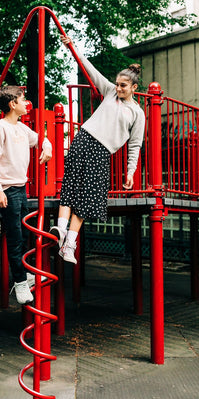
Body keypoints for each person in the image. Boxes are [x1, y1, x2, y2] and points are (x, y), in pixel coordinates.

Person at [50, 35, 145, 264]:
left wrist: (130, 172)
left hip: (102, 151)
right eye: (117, 84)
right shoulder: (111, 91)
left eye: (123, 86)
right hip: (84, 139)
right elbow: (90, 70)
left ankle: (69, 245)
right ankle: (61, 231)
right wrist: (72, 47)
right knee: (70, 186)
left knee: (88, 196)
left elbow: (134, 145)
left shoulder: (137, 113)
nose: (119, 88)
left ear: (134, 87)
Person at [0, 86, 52, 304]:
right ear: (12, 104)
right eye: (23, 99)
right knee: (15, 237)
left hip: (21, 188)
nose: (27, 103)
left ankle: (25, 274)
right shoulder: (0, 128)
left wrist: (47, 145)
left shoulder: (22, 129)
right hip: (8, 189)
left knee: (25, 234)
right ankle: (20, 282)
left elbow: (40, 139)